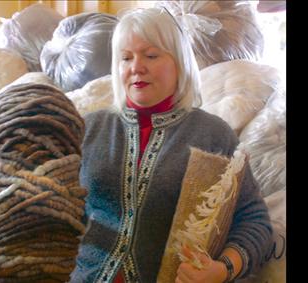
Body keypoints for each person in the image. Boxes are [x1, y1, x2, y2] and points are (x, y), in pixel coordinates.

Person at [70, 7, 272, 283]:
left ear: (180, 63)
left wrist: (222, 269)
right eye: (125, 57)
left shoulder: (213, 134)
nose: (136, 67)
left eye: (151, 55)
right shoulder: (89, 128)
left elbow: (254, 219)